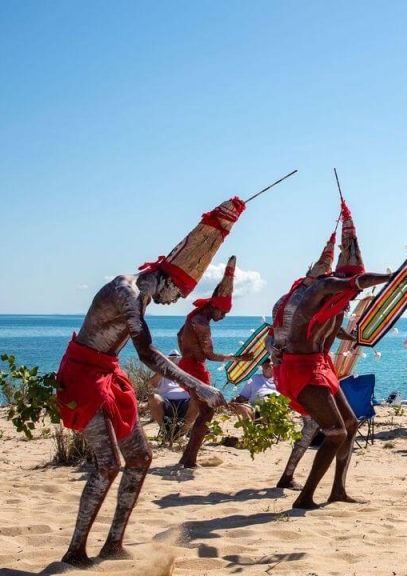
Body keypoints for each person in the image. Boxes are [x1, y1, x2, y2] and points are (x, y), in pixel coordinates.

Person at [54, 196, 243, 566]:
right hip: (83, 376)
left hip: (108, 374)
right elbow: (146, 353)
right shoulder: (128, 293)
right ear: (168, 280)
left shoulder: (142, 298)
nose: (177, 301)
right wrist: (198, 386)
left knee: (140, 458)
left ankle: (113, 543)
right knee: (108, 465)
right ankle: (75, 549)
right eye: (179, 292)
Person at [269, 197, 394, 509]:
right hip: (301, 369)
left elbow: (322, 324)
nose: (354, 291)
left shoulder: (330, 299)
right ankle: (305, 497)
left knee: (349, 425)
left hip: (319, 366)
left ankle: (337, 489)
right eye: (349, 283)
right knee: (336, 432)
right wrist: (393, 277)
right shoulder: (318, 289)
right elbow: (357, 282)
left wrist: (349, 335)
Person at [177, 256, 252, 468]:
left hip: (187, 365)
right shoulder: (201, 323)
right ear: (216, 308)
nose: (224, 317)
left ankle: (187, 457)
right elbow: (210, 355)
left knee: (206, 411)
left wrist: (186, 352)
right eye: (224, 312)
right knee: (207, 412)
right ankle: (189, 459)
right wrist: (237, 358)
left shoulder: (194, 317)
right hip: (194, 369)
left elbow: (178, 334)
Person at [230, 357, 321, 490]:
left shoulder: (280, 379)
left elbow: (290, 398)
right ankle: (251, 436)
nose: (268, 366)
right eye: (265, 364)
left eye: (270, 364)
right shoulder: (255, 379)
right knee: (242, 408)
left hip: (276, 408)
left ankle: (265, 432)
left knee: (270, 402)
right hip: (255, 408)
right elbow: (243, 397)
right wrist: (235, 401)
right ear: (261, 367)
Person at [146, 350, 197, 440]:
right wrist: (164, 368)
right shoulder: (162, 373)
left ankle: (182, 433)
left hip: (185, 403)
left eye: (177, 358)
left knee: (197, 401)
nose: (175, 361)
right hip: (167, 403)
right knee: (152, 397)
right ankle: (164, 431)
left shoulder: (186, 371)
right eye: (172, 359)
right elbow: (151, 383)